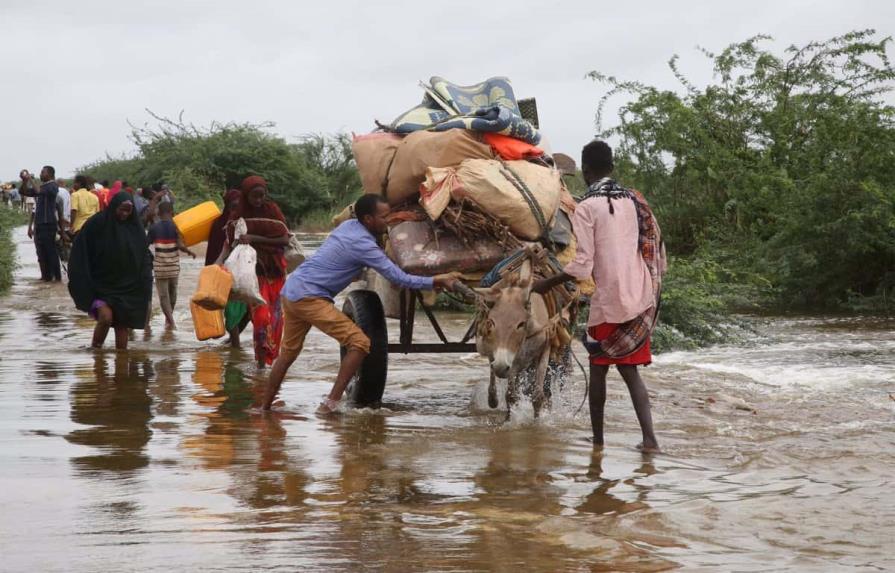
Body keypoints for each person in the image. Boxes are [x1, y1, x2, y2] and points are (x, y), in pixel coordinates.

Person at [261, 193, 461, 415]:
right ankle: (330, 404)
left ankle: (263, 407)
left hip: (292, 290)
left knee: (287, 354)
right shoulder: (363, 245)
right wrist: (435, 280)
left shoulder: (348, 227)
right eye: (384, 217)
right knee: (360, 343)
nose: (388, 221)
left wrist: (398, 216)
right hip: (310, 297)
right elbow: (399, 278)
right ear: (368, 219)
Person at [533, 141, 666, 453]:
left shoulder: (586, 208)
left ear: (586, 171)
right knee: (630, 371)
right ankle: (649, 440)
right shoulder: (634, 200)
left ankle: (598, 441)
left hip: (610, 301)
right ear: (613, 167)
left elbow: (582, 266)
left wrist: (546, 284)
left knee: (598, 368)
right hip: (640, 294)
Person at [215, 176, 291, 368]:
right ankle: (260, 362)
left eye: (261, 196)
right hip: (253, 273)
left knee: (275, 319)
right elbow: (229, 242)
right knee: (260, 316)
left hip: (275, 271)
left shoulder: (272, 210)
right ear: (246, 195)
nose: (258, 200)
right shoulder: (238, 214)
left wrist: (254, 238)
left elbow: (284, 240)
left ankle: (269, 361)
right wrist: (219, 262)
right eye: (254, 196)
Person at [68, 192, 153, 349]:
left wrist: (145, 283)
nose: (124, 214)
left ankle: (121, 368)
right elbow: (81, 248)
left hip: (128, 287)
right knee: (106, 318)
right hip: (101, 286)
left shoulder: (136, 229)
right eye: (121, 209)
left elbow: (144, 257)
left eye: (128, 211)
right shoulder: (98, 223)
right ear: (114, 206)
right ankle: (96, 353)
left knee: (122, 326)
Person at [206, 188, 247, 347]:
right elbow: (213, 251)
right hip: (224, 272)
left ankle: (233, 341)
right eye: (232, 206)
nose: (235, 210)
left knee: (247, 309)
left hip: (243, 271)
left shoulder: (244, 222)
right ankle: (235, 346)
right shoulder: (218, 224)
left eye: (238, 206)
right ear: (227, 205)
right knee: (231, 309)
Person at [147, 201, 196, 329]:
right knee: (173, 293)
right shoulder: (176, 226)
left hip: (160, 266)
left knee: (163, 295)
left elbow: (145, 244)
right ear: (172, 213)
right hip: (173, 265)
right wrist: (189, 252)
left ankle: (170, 320)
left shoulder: (153, 228)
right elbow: (180, 245)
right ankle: (169, 320)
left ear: (159, 213)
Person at [23, 166, 64, 282]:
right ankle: (46, 277)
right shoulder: (42, 187)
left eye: (43, 172)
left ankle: (57, 277)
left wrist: (30, 179)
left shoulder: (53, 186)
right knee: (41, 252)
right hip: (40, 225)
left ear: (50, 174)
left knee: (51, 251)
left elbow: (38, 191)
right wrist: (25, 181)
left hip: (48, 224)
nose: (41, 174)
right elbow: (26, 192)